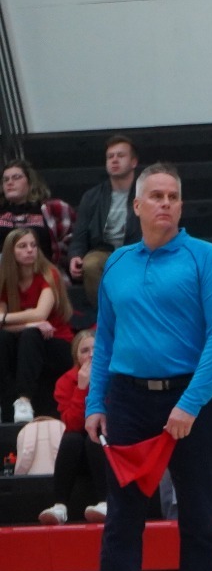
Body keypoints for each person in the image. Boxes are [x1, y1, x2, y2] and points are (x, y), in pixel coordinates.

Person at [89, 163, 212, 571]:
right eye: (155, 195)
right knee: (124, 516)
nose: (165, 204)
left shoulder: (206, 258)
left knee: (198, 514)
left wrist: (189, 404)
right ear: (136, 206)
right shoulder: (117, 264)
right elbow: (106, 338)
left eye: (173, 196)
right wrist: (96, 402)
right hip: (130, 403)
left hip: (191, 400)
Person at [0, 226, 71, 422]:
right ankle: (6, 405)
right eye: (22, 246)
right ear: (10, 252)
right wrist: (30, 323)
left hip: (56, 342)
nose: (30, 250)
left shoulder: (49, 273)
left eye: (33, 245)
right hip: (24, 340)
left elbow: (41, 313)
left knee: (31, 336)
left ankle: (24, 399)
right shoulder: (5, 280)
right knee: (4, 338)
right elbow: (6, 327)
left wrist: (5, 319)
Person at [38, 328, 107, 526]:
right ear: (76, 356)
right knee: (71, 438)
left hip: (107, 445)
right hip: (79, 452)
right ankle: (60, 507)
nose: (91, 354)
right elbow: (72, 423)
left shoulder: (115, 375)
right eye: (84, 350)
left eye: (95, 348)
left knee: (95, 435)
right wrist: (82, 387)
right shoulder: (66, 381)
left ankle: (106, 502)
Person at [70, 135, 138, 308]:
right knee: (91, 263)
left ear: (133, 162)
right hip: (103, 251)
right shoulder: (92, 196)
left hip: (138, 250)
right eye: (110, 156)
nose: (114, 160)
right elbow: (80, 234)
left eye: (120, 156)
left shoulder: (146, 193)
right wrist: (75, 256)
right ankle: (106, 316)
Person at [0, 160, 75, 267]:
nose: (9, 183)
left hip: (41, 267)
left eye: (16, 177)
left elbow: (71, 241)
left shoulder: (54, 208)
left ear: (30, 182)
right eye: (5, 180)